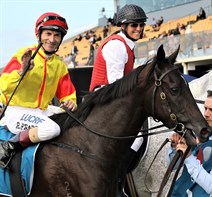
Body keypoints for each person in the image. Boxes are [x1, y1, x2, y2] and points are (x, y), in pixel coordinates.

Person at [0, 12, 77, 168]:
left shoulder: (59, 64)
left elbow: (67, 93)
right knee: (52, 129)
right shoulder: (24, 54)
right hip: (15, 111)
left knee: (75, 120)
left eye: (57, 35)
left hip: (41, 110)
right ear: (39, 34)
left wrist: (70, 102)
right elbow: (3, 86)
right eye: (48, 33)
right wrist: (22, 71)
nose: (52, 39)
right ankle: (9, 146)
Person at [89, 4, 147, 197]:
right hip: (105, 95)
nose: (138, 29)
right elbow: (117, 84)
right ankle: (115, 180)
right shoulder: (117, 46)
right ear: (123, 26)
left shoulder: (127, 45)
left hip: (112, 94)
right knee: (137, 136)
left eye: (140, 25)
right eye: (133, 25)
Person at [166, 89, 212, 197]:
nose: (206, 114)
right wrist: (175, 147)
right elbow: (172, 166)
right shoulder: (199, 132)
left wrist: (189, 156)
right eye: (205, 108)